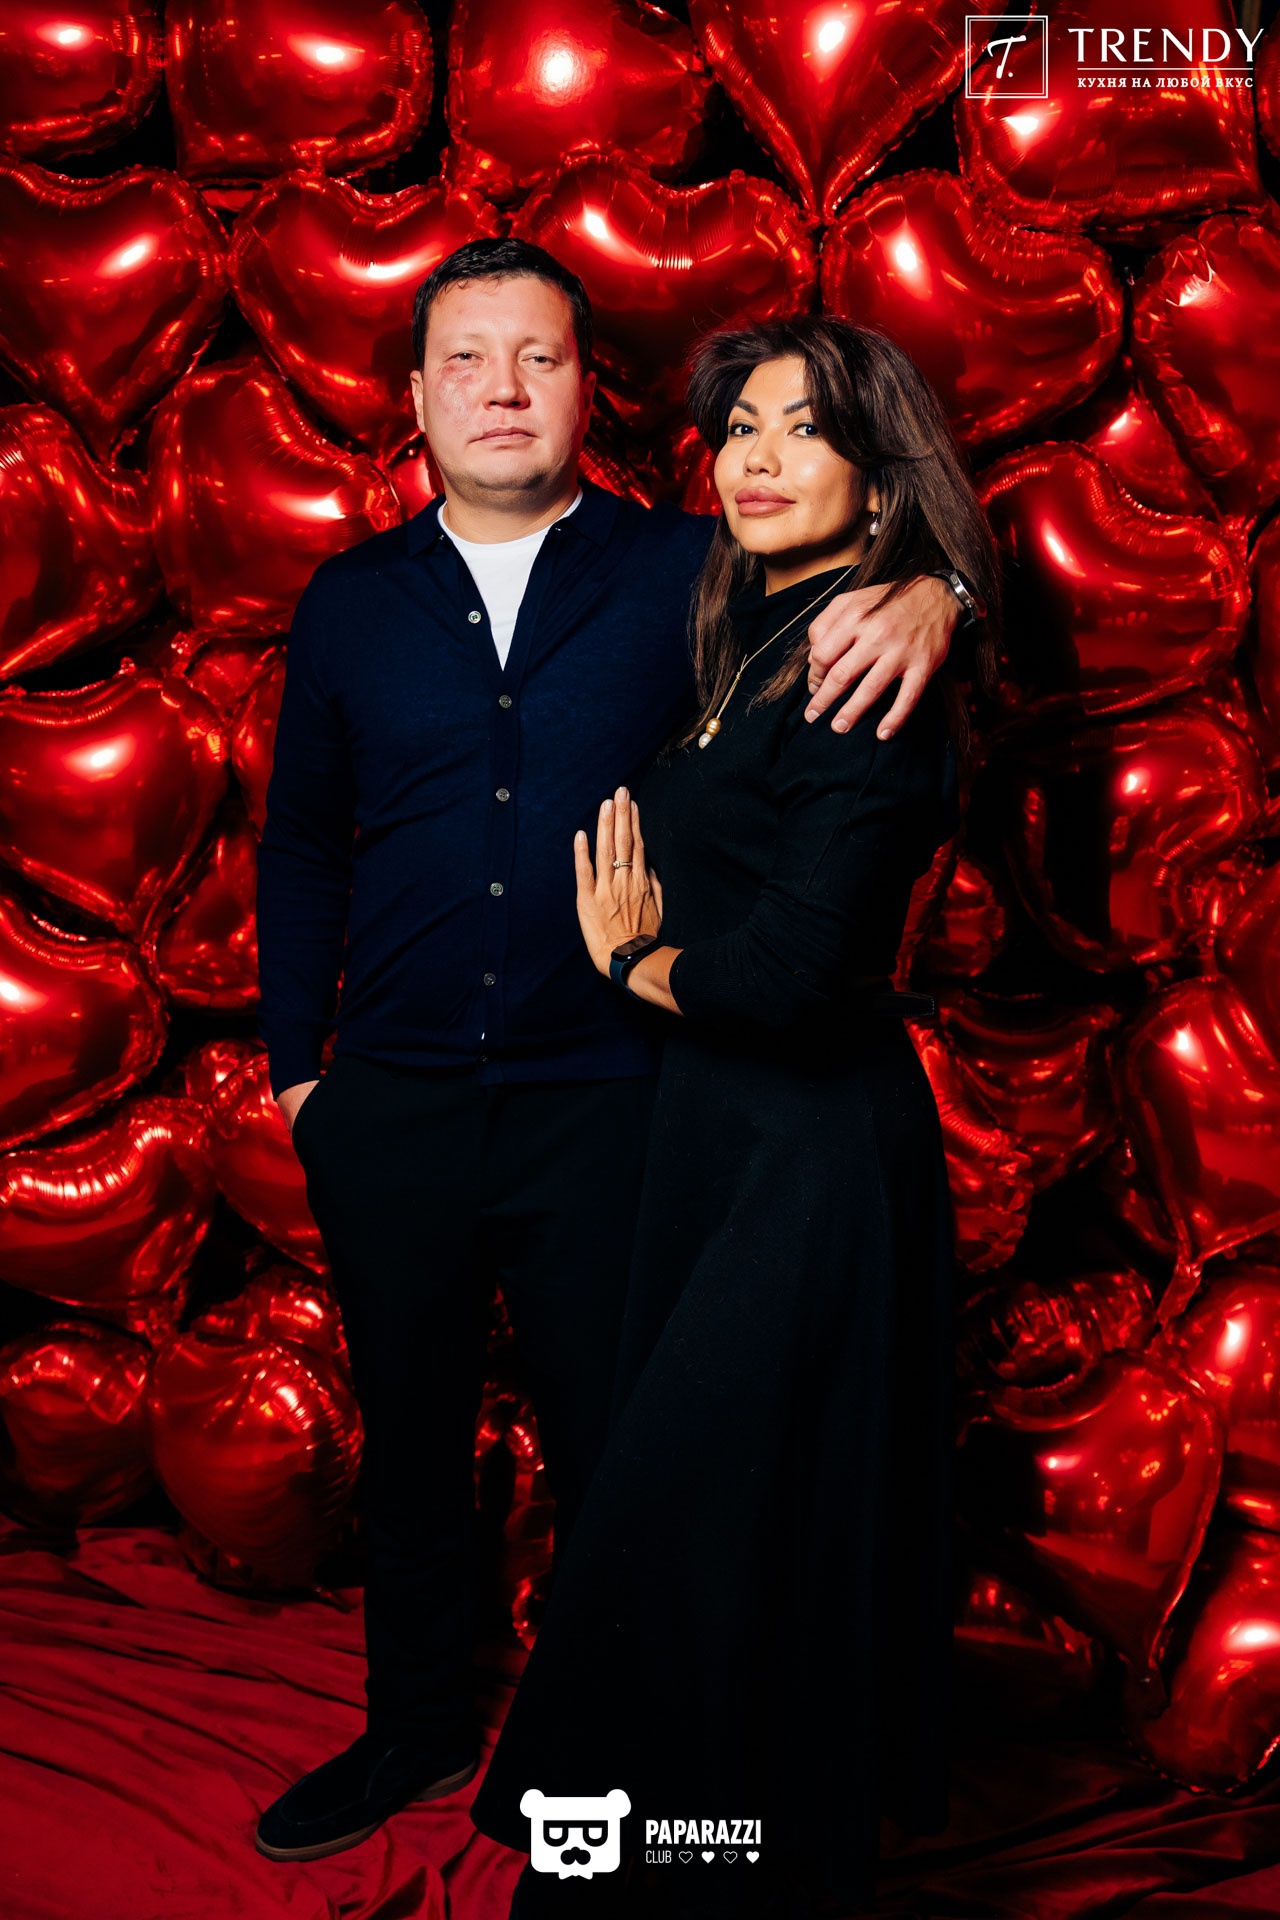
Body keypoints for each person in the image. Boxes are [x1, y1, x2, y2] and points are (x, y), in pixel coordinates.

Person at [250, 238, 975, 1866]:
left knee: (632, 1457)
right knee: (409, 1443)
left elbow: (878, 546)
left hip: (620, 1100)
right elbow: (301, 845)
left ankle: (631, 1787)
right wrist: (305, 1075)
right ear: (416, 396)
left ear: (591, 389)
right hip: (394, 1101)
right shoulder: (351, 601)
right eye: (467, 359)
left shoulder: (693, 568)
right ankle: (416, 1727)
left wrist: (948, 593)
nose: (503, 390)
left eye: (541, 357)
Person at [467, 315, 1002, 1919]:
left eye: (805, 431)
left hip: (806, 1156)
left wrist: (636, 963)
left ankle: (707, 1870)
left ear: (879, 476)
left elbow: (791, 978)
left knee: (706, 1527)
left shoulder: (864, 664)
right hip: (715, 1140)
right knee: (724, 1534)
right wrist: (948, 582)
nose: (758, 461)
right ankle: (678, 1861)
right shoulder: (754, 618)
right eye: (740, 429)